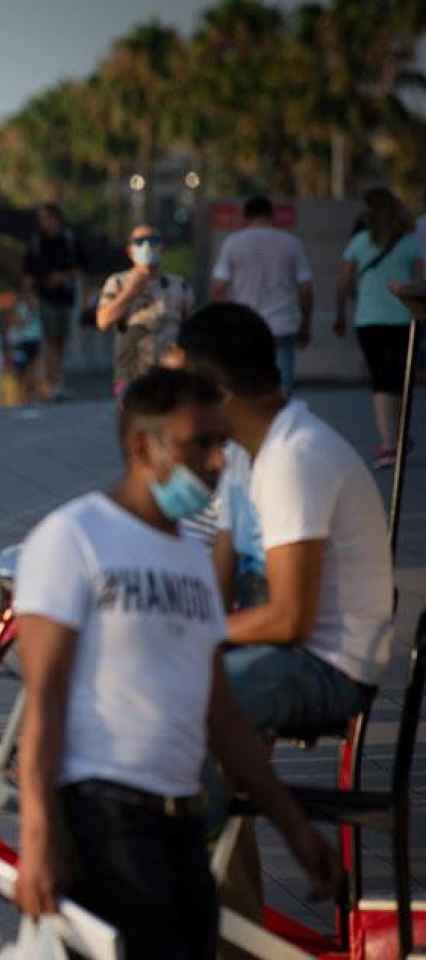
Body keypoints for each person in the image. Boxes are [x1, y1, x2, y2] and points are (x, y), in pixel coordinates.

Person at [12, 367, 338, 957]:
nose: (217, 462)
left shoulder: (189, 557)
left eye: (222, 443)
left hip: (182, 823)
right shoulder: (73, 538)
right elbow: (45, 701)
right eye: (200, 445)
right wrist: (38, 836)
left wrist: (293, 825)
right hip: (104, 822)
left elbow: (222, 714)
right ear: (144, 446)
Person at [176, 304, 394, 821]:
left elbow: (289, 620)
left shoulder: (294, 457)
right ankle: (199, 863)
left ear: (220, 394)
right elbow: (220, 573)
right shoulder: (243, 456)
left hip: (330, 668)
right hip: (284, 651)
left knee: (180, 705)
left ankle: (182, 871)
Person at [335, 187, 425, 467]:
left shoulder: (359, 242)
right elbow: (421, 283)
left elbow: (343, 282)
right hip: (404, 319)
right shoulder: (412, 243)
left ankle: (389, 444)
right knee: (400, 379)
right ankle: (397, 437)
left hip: (368, 320)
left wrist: (340, 313)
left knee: (381, 379)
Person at [210, 195, 314, 394]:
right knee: (282, 389)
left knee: (246, 386)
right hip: (283, 325)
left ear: (246, 216)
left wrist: (226, 322)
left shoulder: (233, 243)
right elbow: (306, 288)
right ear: (271, 215)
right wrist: (306, 324)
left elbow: (218, 289)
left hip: (245, 325)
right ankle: (282, 423)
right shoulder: (291, 243)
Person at [97, 223, 192, 397]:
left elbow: (189, 328)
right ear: (130, 251)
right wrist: (131, 291)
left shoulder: (179, 285)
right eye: (139, 241)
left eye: (153, 240)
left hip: (169, 373)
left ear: (162, 247)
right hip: (131, 371)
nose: (147, 246)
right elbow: (103, 321)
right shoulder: (117, 282)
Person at [21, 203, 83, 402]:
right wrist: (29, 297)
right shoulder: (36, 242)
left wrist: (63, 277)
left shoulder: (69, 240)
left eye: (47, 218)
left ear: (57, 218)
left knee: (61, 341)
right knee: (49, 341)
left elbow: (80, 268)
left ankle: (56, 381)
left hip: (65, 297)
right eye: (41, 218)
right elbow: (28, 273)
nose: (43, 222)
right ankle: (51, 384)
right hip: (45, 298)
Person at [8, 295, 44, 404]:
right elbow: (18, 324)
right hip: (22, 341)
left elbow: (40, 323)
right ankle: (23, 396)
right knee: (21, 370)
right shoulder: (20, 307)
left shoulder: (37, 306)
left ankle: (33, 394)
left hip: (35, 339)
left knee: (34, 368)